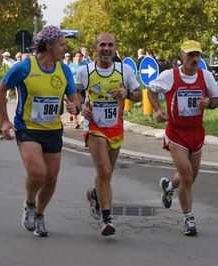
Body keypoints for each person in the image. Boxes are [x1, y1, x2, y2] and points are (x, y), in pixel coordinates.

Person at [0, 25, 81, 237]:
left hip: (53, 131)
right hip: (27, 129)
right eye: (62, 45)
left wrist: (75, 107)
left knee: (51, 178)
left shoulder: (64, 70)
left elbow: (75, 100)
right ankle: (30, 203)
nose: (65, 48)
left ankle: (40, 215)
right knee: (37, 173)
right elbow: (1, 90)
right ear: (50, 46)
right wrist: (4, 120)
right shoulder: (24, 67)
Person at [147, 40, 218, 236]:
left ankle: (169, 186)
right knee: (187, 176)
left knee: (190, 178)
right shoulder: (170, 76)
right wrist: (159, 109)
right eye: (191, 55)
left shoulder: (206, 76)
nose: (195, 59)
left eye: (198, 55)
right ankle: (188, 219)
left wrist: (209, 105)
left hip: (196, 132)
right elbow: (151, 89)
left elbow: (216, 99)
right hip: (176, 132)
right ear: (181, 55)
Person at [75, 33, 142, 236]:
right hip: (94, 127)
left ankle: (95, 194)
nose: (106, 48)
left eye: (110, 45)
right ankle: (107, 219)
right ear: (95, 48)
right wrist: (80, 108)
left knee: (107, 174)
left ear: (115, 48)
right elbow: (72, 92)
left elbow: (139, 94)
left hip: (116, 128)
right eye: (102, 45)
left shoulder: (124, 70)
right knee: (104, 171)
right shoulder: (84, 71)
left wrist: (128, 94)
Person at [68, 51, 84, 128]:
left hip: (83, 88)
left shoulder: (85, 66)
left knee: (82, 104)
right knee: (75, 104)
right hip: (73, 88)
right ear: (74, 58)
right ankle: (75, 122)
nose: (79, 57)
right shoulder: (70, 66)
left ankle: (78, 115)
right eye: (77, 56)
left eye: (80, 56)